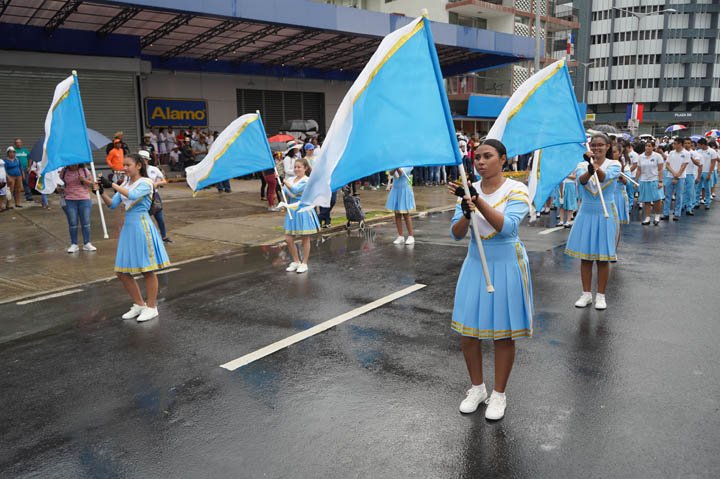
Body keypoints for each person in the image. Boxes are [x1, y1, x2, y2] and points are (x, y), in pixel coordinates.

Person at [448, 139, 532, 420]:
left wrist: (477, 201)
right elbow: (456, 234)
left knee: (503, 332)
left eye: (488, 156)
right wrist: (465, 211)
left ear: (503, 159)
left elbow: (507, 228)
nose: (481, 162)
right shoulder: (468, 190)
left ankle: (499, 394)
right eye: (477, 157)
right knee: (468, 332)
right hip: (475, 262)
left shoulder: (516, 189)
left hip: (506, 262)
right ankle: (477, 388)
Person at [98, 153, 171, 322]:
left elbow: (132, 195)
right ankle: (139, 304)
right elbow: (112, 205)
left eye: (128, 165)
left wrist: (112, 184)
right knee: (122, 272)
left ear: (138, 165)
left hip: (142, 227)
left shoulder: (146, 183)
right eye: (123, 165)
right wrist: (101, 192)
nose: (124, 168)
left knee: (147, 270)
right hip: (128, 229)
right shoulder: (125, 183)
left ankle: (152, 307)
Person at [565, 133, 620, 310]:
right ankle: (586, 294)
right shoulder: (582, 164)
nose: (596, 148)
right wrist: (589, 168)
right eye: (594, 145)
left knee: (603, 258)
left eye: (600, 145)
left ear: (608, 146)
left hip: (606, 213)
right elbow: (582, 181)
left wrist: (594, 165)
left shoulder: (615, 164)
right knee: (586, 257)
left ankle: (601, 295)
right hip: (586, 212)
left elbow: (604, 178)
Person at [282, 158, 320, 274]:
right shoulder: (291, 179)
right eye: (295, 167)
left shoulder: (307, 181)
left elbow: (295, 190)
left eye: (299, 167)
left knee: (305, 238)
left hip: (303, 210)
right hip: (291, 211)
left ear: (305, 168)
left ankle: (304, 263)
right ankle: (296, 261)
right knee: (288, 238)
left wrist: (284, 181)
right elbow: (286, 192)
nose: (296, 169)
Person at [58, 164, 97, 253]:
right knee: (72, 223)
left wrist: (84, 180)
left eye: (75, 163)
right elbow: (60, 184)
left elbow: (93, 184)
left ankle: (87, 243)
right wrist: (59, 189)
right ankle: (74, 244)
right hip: (69, 200)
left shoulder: (84, 170)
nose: (73, 165)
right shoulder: (64, 171)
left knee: (86, 223)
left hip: (84, 199)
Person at [139, 150, 172, 242]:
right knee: (144, 218)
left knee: (159, 217)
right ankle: (145, 237)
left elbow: (164, 181)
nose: (143, 161)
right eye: (141, 159)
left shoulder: (154, 169)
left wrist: (157, 183)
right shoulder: (136, 171)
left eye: (145, 159)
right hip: (141, 197)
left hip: (154, 195)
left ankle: (164, 236)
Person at [635, 141, 664, 226]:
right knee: (646, 200)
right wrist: (636, 180)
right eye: (646, 146)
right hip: (644, 180)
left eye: (649, 146)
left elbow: (660, 169)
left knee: (657, 199)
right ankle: (647, 217)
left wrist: (660, 181)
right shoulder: (641, 157)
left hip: (654, 180)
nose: (647, 147)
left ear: (653, 147)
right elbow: (639, 170)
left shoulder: (658, 156)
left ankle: (657, 216)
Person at [662, 138, 690, 221]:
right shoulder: (671, 153)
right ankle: (666, 213)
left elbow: (683, 166)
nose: (673, 145)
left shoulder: (686, 153)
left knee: (679, 196)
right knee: (667, 196)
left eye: (675, 143)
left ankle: (677, 213)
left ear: (680, 144)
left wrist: (677, 176)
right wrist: (673, 173)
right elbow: (667, 165)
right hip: (670, 176)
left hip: (680, 177)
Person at [386, 167, 415, 245]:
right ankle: (400, 236)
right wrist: (395, 167)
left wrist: (397, 167)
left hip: (404, 190)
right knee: (397, 214)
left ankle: (411, 236)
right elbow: (391, 173)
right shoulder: (395, 164)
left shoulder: (409, 165)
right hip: (395, 190)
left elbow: (401, 174)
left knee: (406, 214)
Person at [696, 138, 718, 210]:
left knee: (707, 188)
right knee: (698, 188)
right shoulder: (698, 151)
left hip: (707, 171)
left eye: (699, 145)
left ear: (703, 144)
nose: (698, 146)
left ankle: (707, 203)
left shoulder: (712, 151)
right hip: (699, 171)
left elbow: (713, 163)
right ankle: (696, 202)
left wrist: (709, 173)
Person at [612, 144, 630, 229]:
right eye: (611, 152)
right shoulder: (605, 164)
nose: (612, 154)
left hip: (619, 195)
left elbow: (627, 182)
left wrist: (621, 177)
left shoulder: (624, 166)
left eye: (614, 152)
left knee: (617, 225)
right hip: (608, 195)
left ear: (619, 153)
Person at [683, 139, 701, 216]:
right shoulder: (680, 152)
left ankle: (689, 209)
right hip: (681, 175)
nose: (687, 145)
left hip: (690, 174)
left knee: (689, 193)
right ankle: (681, 207)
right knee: (681, 192)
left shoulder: (694, 153)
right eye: (685, 143)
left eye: (688, 143)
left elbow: (698, 163)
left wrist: (691, 157)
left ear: (691, 144)